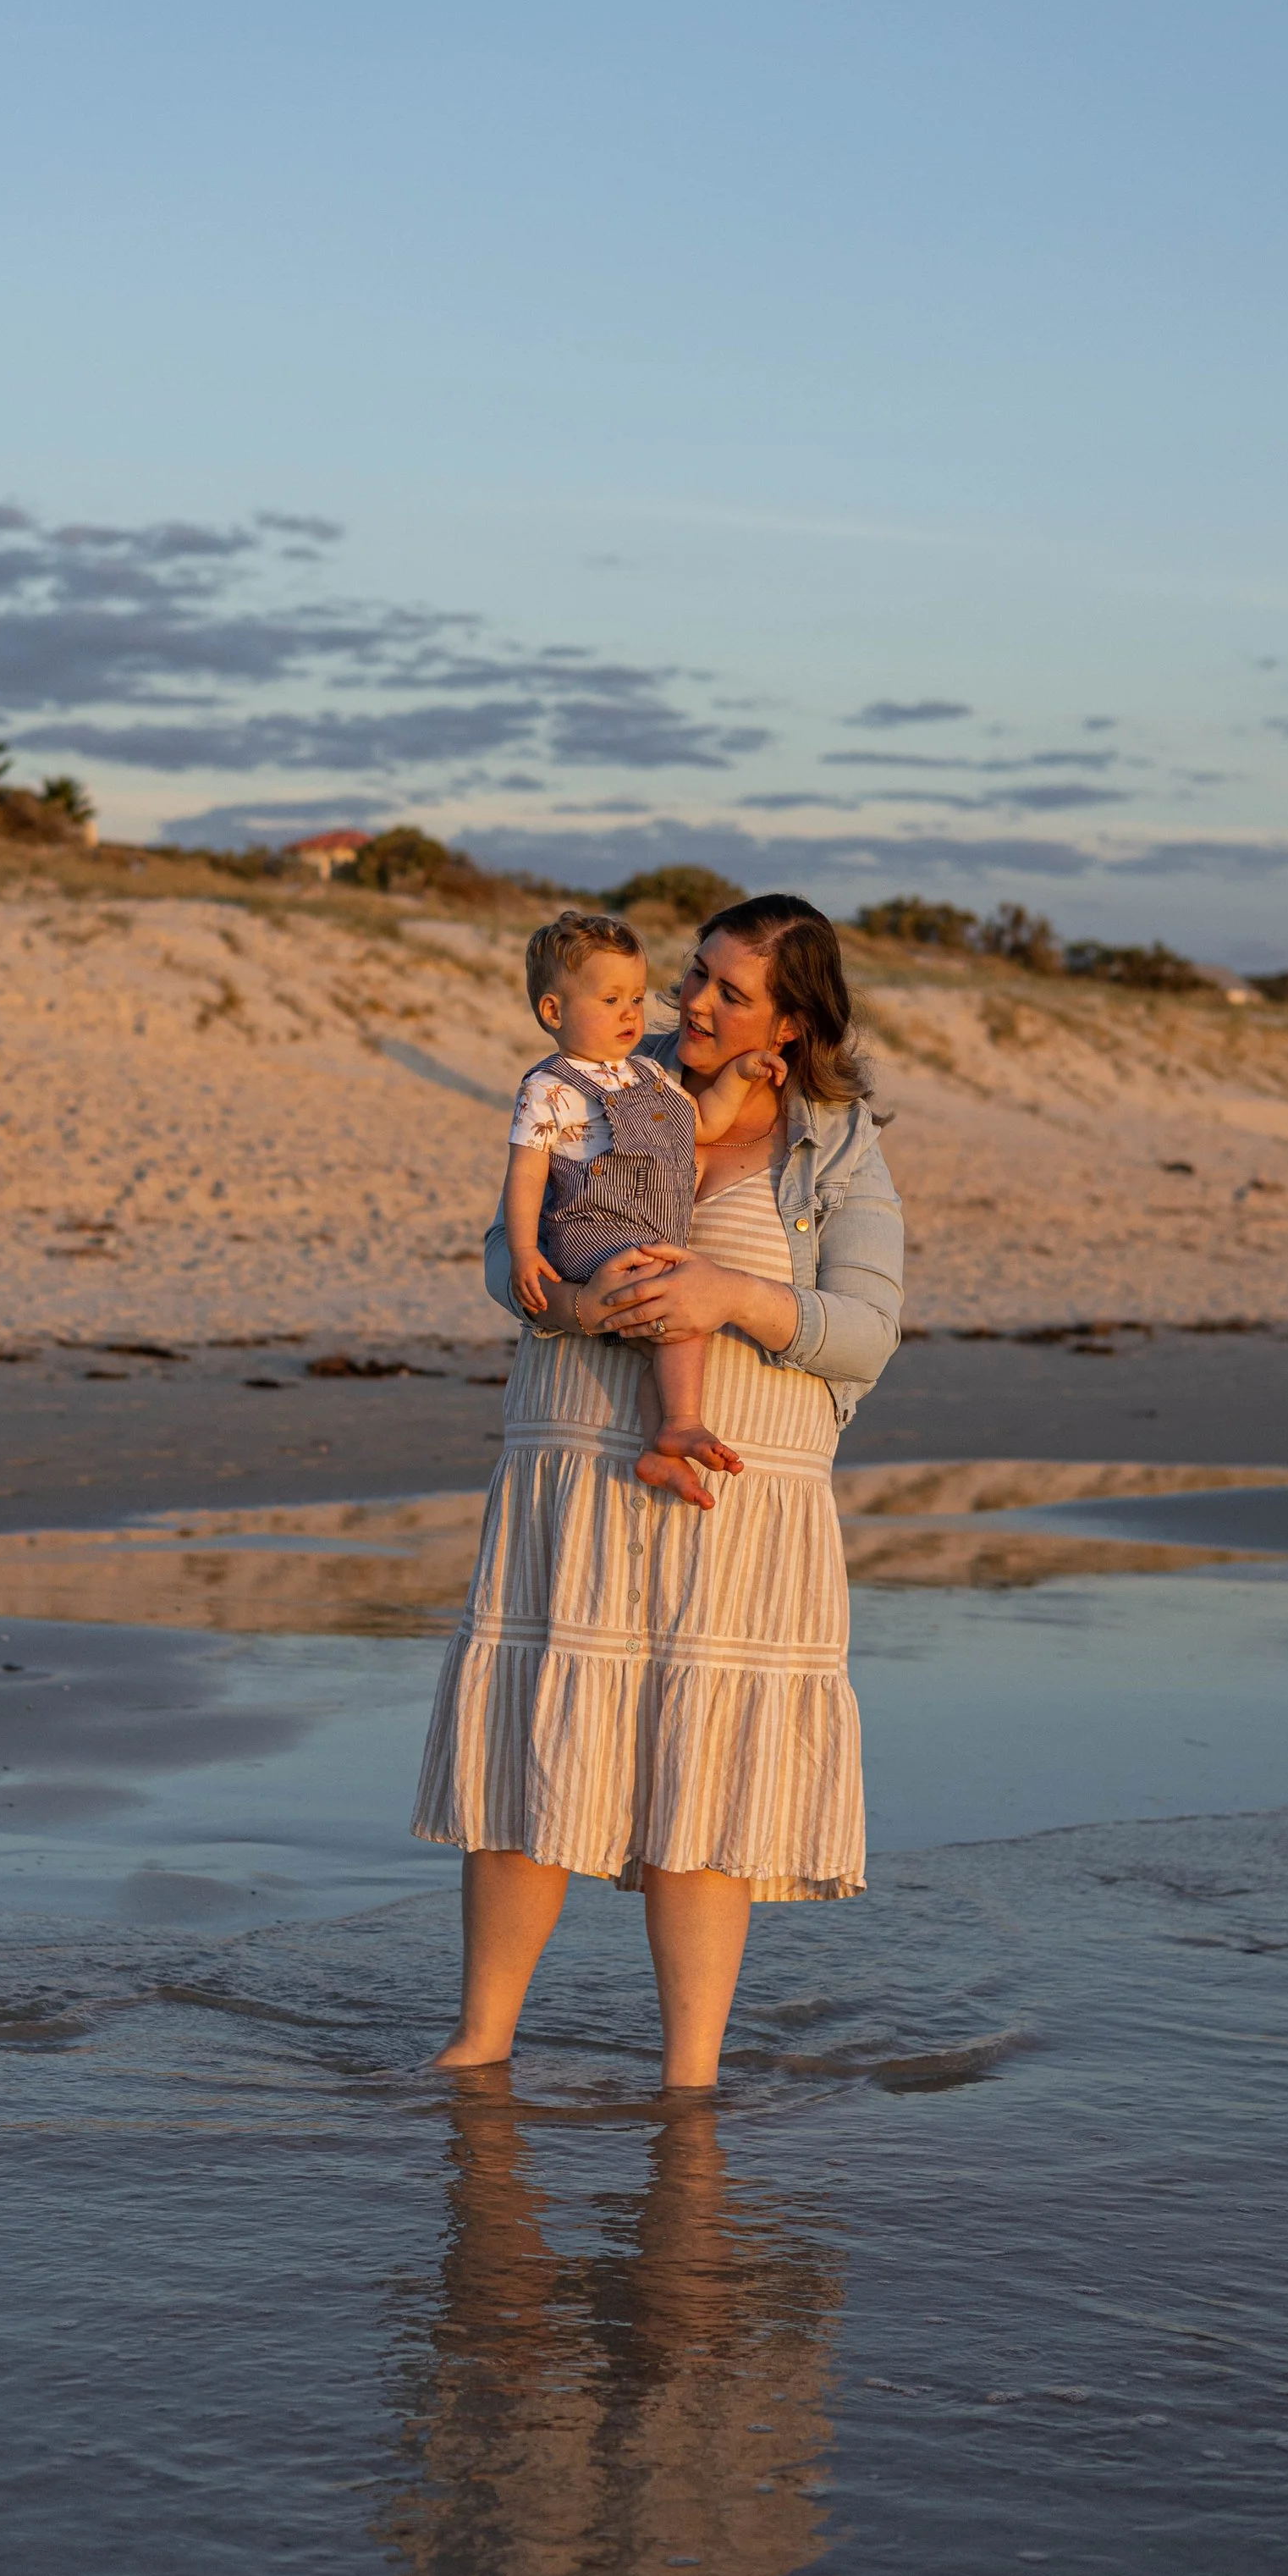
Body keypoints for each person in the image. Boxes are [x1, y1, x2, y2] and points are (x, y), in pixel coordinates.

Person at [411, 891, 905, 2088]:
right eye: (695, 975)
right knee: (533, 1760)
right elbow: (505, 1244)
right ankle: (480, 2046)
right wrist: (576, 1305)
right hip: (575, 1471)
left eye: (731, 992)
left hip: (734, 1501)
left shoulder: (833, 1147)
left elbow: (869, 1330)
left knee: (702, 1780)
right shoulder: (606, 1084)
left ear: (788, 1023)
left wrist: (733, 1297)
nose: (692, 1001)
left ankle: (689, 2081)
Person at [500, 906, 791, 1505]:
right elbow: (527, 1171)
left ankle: (662, 1447)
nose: (631, 1012)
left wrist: (738, 1077)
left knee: (667, 1322)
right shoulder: (550, 1087)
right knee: (675, 1304)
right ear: (553, 1011)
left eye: (635, 997)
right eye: (610, 1000)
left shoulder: (648, 1076)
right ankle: (680, 1424)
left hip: (646, 1234)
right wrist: (524, 1250)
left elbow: (702, 1123)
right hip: (590, 1230)